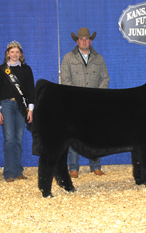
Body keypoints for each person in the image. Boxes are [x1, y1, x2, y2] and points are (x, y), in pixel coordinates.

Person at [61, 27, 110, 178]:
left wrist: (97, 95)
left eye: (87, 39)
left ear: (91, 41)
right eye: (81, 39)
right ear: (77, 41)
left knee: (95, 135)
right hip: (75, 103)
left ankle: (95, 165)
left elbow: (105, 78)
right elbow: (65, 79)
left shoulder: (99, 58)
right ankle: (73, 168)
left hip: (95, 103)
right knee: (74, 136)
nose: (84, 41)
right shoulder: (68, 58)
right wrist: (77, 96)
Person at [0, 41, 34, 182]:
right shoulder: (1, 70)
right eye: (12, 52)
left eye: (17, 52)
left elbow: (31, 91)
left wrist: (31, 109)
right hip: (6, 105)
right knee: (9, 139)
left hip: (22, 107)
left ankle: (18, 170)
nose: (15, 54)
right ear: (7, 53)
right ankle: (9, 172)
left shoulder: (26, 69)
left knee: (18, 139)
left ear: (20, 54)